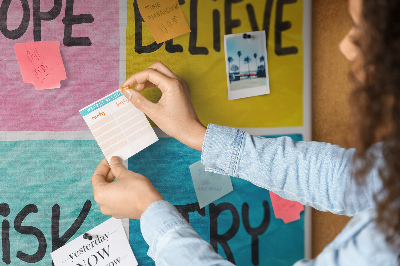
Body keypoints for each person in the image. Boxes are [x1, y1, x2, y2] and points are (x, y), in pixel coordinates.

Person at [91, 0, 400, 264]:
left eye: (365, 31)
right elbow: (345, 178)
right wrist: (196, 134)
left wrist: (149, 211)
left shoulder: (384, 248)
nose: (346, 47)